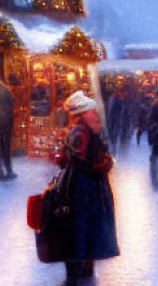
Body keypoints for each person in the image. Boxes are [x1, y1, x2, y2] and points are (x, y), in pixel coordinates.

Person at [52, 91, 120, 286]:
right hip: (89, 187)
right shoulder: (87, 129)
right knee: (84, 227)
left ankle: (79, 272)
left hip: (83, 186)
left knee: (80, 228)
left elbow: (79, 159)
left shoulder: (82, 130)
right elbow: (90, 160)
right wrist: (104, 163)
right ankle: (81, 271)